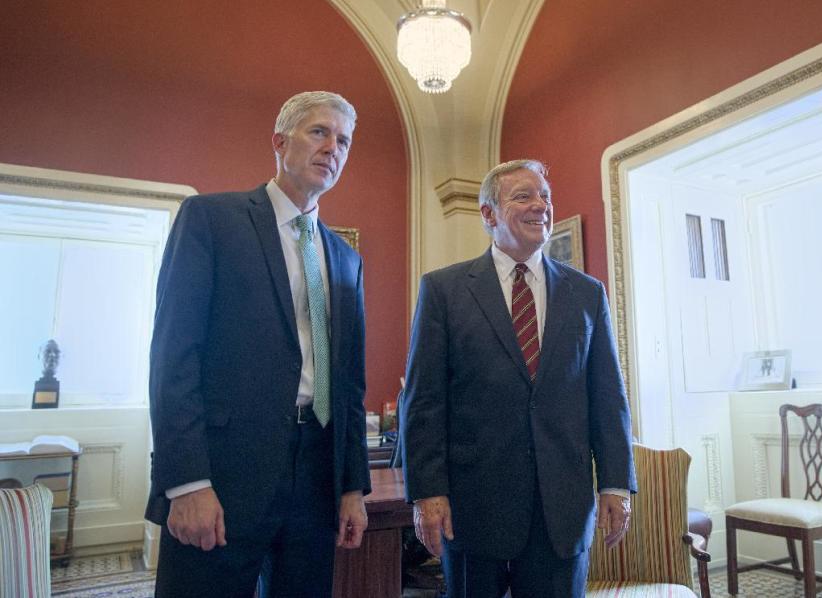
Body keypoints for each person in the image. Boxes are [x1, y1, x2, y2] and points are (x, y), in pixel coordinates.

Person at [146, 91, 371, 597]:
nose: (332, 147)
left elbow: (349, 382)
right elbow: (173, 358)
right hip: (224, 474)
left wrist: (353, 485)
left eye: (344, 141)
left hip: (315, 480)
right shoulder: (210, 219)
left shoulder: (345, 258)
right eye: (319, 132)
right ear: (279, 141)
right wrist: (186, 483)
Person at [400, 159, 636, 598]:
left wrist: (616, 482)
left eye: (544, 195)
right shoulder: (443, 290)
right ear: (489, 214)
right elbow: (424, 400)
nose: (540, 206)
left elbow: (608, 397)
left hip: (561, 509)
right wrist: (427, 491)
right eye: (523, 196)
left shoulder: (587, 293)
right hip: (473, 507)